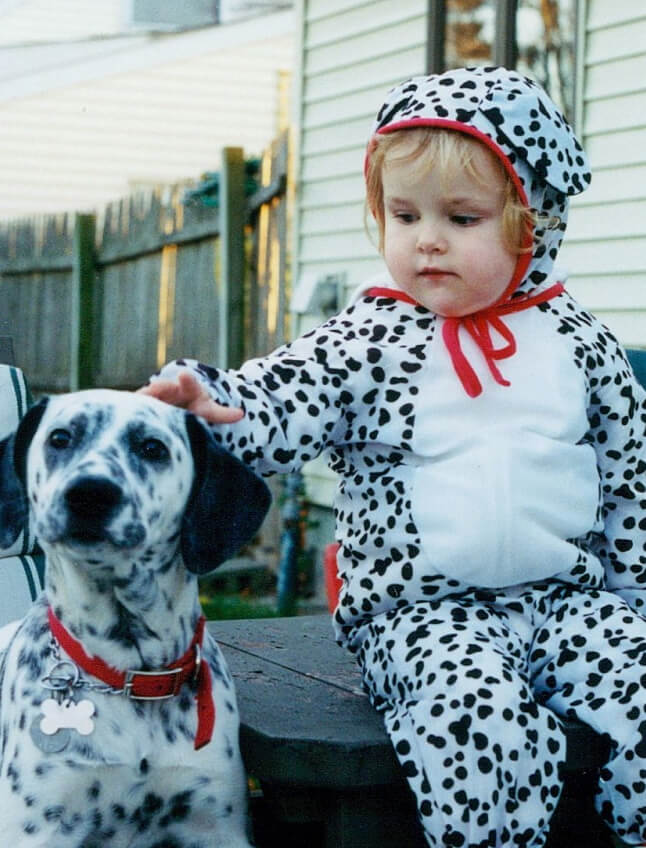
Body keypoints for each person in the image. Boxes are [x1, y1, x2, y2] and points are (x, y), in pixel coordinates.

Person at [141, 67, 646, 847]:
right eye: (404, 214)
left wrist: (634, 596)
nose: (427, 239)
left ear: (536, 221)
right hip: (421, 614)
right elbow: (289, 392)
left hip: (565, 603)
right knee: (475, 720)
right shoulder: (374, 337)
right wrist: (216, 400)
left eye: (462, 217)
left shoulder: (581, 345)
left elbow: (628, 485)